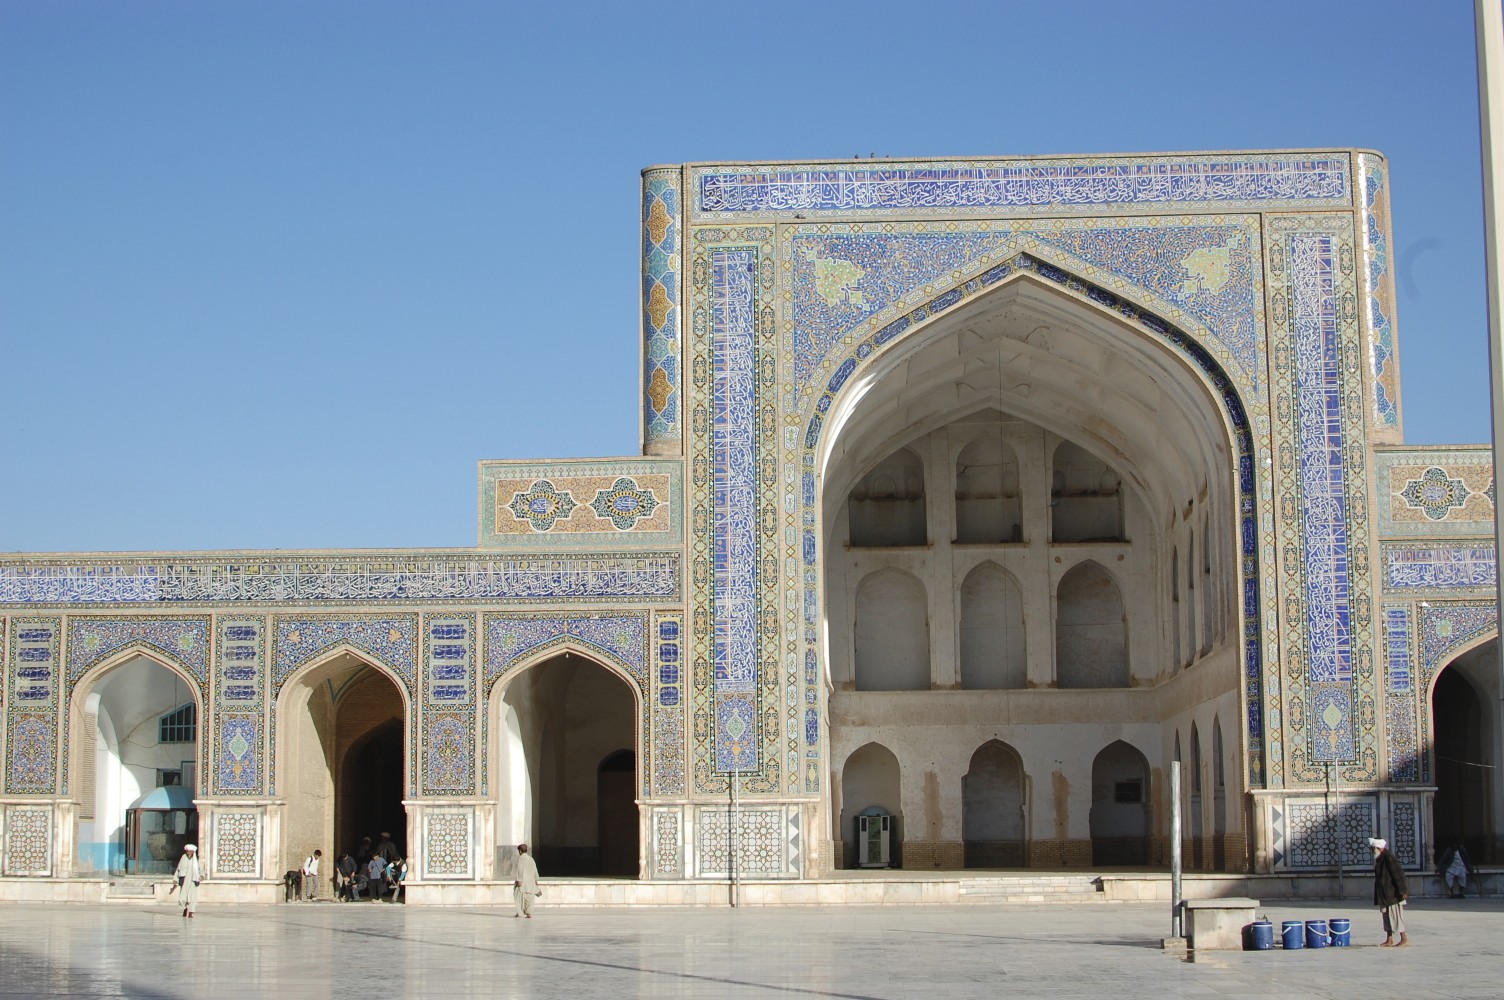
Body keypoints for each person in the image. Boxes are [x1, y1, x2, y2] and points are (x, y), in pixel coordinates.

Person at [1370, 837, 1409, 947]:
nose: (1372, 850)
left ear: (1378, 848)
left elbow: (1398, 875)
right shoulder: (1380, 858)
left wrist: (1403, 891)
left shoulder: (1389, 857)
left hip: (1392, 894)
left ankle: (1403, 938)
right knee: (1386, 917)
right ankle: (1389, 939)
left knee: (1395, 917)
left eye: (1373, 848)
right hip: (1384, 894)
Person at [175, 843, 204, 918]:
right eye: (188, 851)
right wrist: (175, 879)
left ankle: (191, 912)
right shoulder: (183, 857)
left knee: (192, 897)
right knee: (182, 898)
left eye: (190, 851)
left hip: (193, 880)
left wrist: (201, 876)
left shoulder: (196, 859)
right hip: (184, 879)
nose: (189, 852)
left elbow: (201, 869)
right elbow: (179, 868)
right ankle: (185, 908)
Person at [513, 843, 540, 919]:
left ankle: (520, 912)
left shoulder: (521, 858)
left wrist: (519, 880)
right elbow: (535, 870)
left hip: (523, 882)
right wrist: (536, 880)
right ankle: (529, 913)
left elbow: (520, 870)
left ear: (520, 851)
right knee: (530, 897)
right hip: (530, 881)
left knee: (519, 896)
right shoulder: (531, 859)